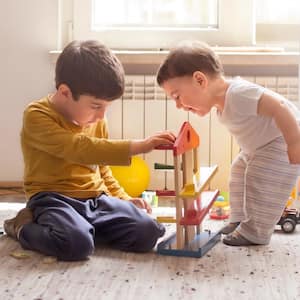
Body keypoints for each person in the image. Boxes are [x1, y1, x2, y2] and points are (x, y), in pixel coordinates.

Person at [4, 40, 175, 261]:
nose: (102, 115)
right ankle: (22, 226)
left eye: (106, 107)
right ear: (65, 92)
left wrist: (122, 199)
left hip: (96, 198)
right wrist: (139, 146)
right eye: (96, 106)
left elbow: (101, 167)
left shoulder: (95, 119)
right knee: (76, 246)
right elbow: (79, 149)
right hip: (53, 198)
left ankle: (85, 229)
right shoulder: (37, 116)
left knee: (148, 231)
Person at [156, 40, 300, 246]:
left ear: (199, 80)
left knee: (258, 178)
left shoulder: (238, 93)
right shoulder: (222, 105)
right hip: (259, 146)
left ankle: (255, 232)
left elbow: (279, 107)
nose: (178, 105)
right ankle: (241, 219)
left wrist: (294, 143)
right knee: (238, 171)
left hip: (281, 140)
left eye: (177, 96)